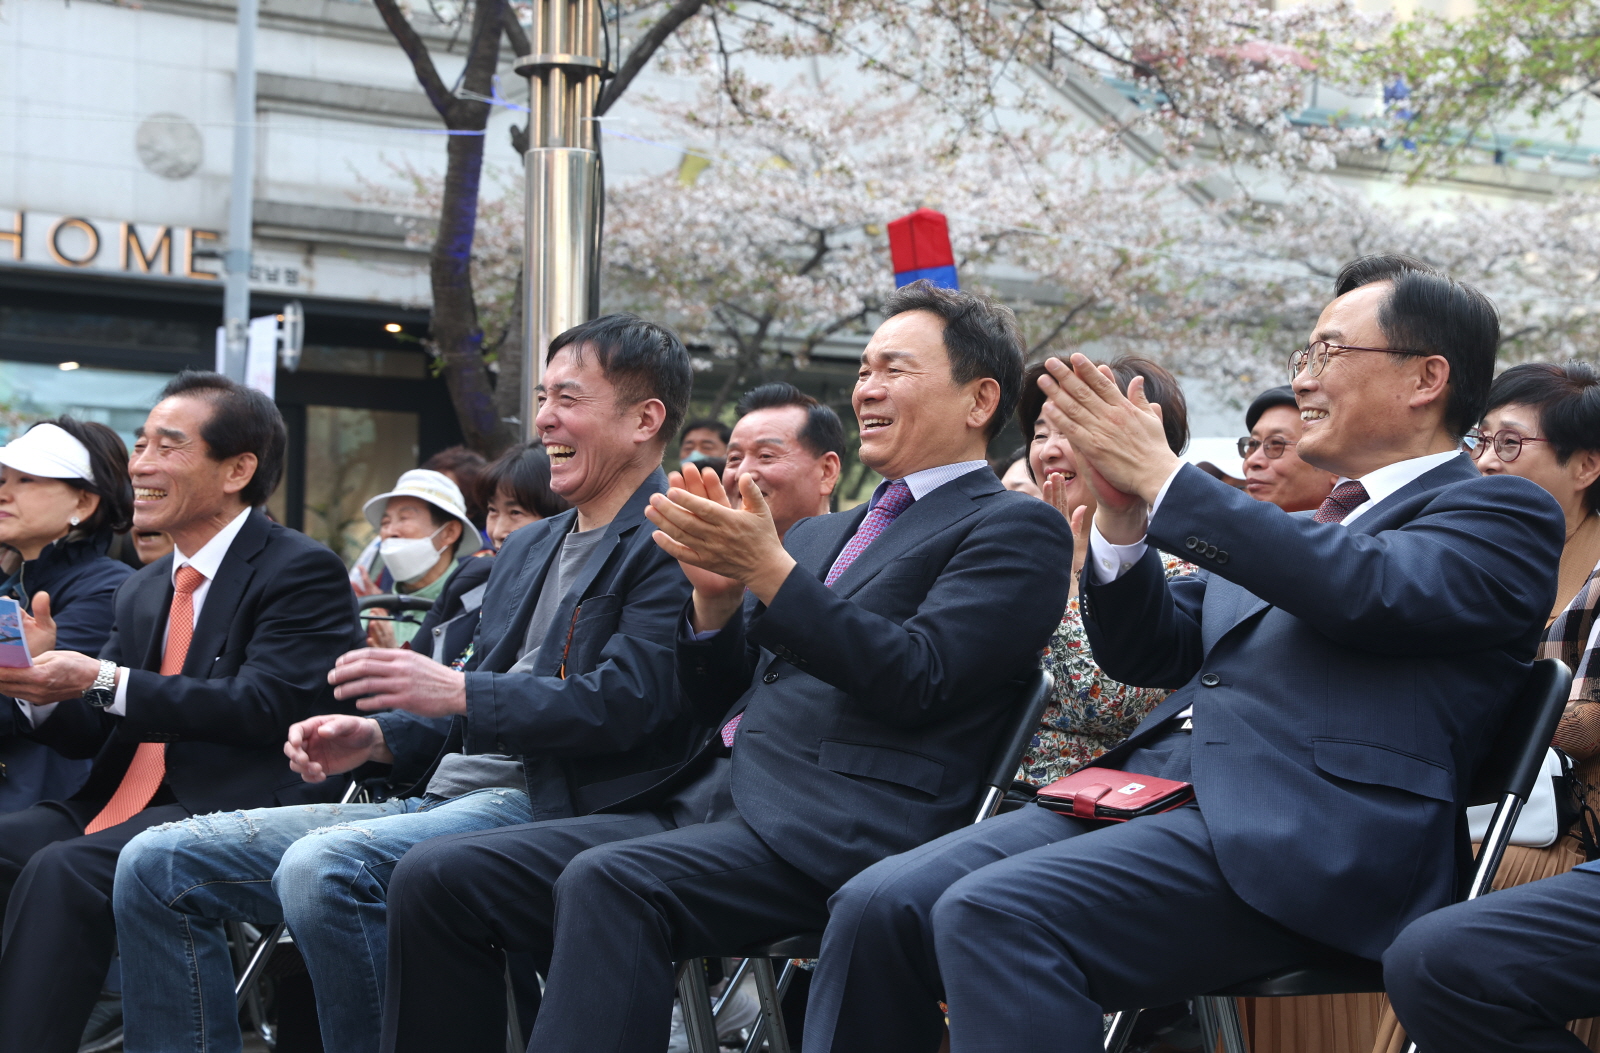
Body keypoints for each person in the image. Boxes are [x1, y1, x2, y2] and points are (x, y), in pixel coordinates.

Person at [799, 255, 1566, 1053]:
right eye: (1304, 355)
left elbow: (1368, 589)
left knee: (995, 912)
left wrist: (1167, 478)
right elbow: (1149, 646)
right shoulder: (1299, 532)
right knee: (875, 904)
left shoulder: (1497, 509)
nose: (1303, 379)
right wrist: (1124, 524)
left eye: (1328, 353)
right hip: (1148, 796)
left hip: (1307, 841)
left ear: (1425, 378)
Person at [374, 279, 1073, 1053]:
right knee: (436, 878)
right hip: (703, 800)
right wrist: (711, 606)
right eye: (866, 367)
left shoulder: (1015, 528)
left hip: (840, 825)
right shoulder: (818, 536)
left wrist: (770, 576)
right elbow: (719, 690)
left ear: (979, 400)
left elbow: (919, 676)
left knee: (610, 881)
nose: (867, 388)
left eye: (894, 370)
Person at [113, 314, 700, 1053]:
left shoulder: (677, 538)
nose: (545, 418)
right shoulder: (531, 546)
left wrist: (454, 693)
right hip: (449, 797)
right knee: (156, 861)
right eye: (543, 397)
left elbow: (628, 705)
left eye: (569, 398)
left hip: (559, 803)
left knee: (325, 867)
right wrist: (378, 738)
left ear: (647, 419)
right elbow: (477, 702)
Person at [0, 372, 361, 1053]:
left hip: (234, 801)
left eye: (167, 446)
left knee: (62, 868)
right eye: (140, 444)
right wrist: (37, 686)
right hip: (114, 799)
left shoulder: (299, 569)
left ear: (237, 469)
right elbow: (93, 731)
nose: (140, 465)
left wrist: (103, 677)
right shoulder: (142, 589)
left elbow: (264, 706)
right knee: (25, 844)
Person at [1366, 361, 1600, 1053]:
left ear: (1585, 466)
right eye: (1480, 442)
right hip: (1484, 805)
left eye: (1509, 444)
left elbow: (1584, 726)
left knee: (1427, 893)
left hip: (1561, 827)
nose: (1486, 463)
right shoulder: (1469, 559)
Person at [1013, 358, 1196, 788]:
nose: (1050, 450)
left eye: (1074, 428)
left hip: (1080, 803)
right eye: (1040, 434)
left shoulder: (1186, 563)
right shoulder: (1015, 546)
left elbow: (1109, 704)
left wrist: (1074, 573)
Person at [0, 420, 134, 814]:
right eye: (3, 478)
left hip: (38, 804)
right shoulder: (16, 576)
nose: (4, 493)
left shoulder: (108, 587)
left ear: (83, 503)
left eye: (26, 480)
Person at [354, 469, 477, 649]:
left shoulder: (473, 609)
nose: (390, 532)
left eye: (404, 518)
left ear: (449, 532)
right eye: (385, 522)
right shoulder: (370, 613)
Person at [722, 382, 844, 539]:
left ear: (826, 472)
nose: (742, 474)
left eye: (766, 456)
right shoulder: (697, 560)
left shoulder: (856, 558)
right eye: (734, 458)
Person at [1240, 384, 1339, 512]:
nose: (1252, 461)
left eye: (1276, 444)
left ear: (1336, 463)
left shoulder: (1366, 529)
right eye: (1252, 445)